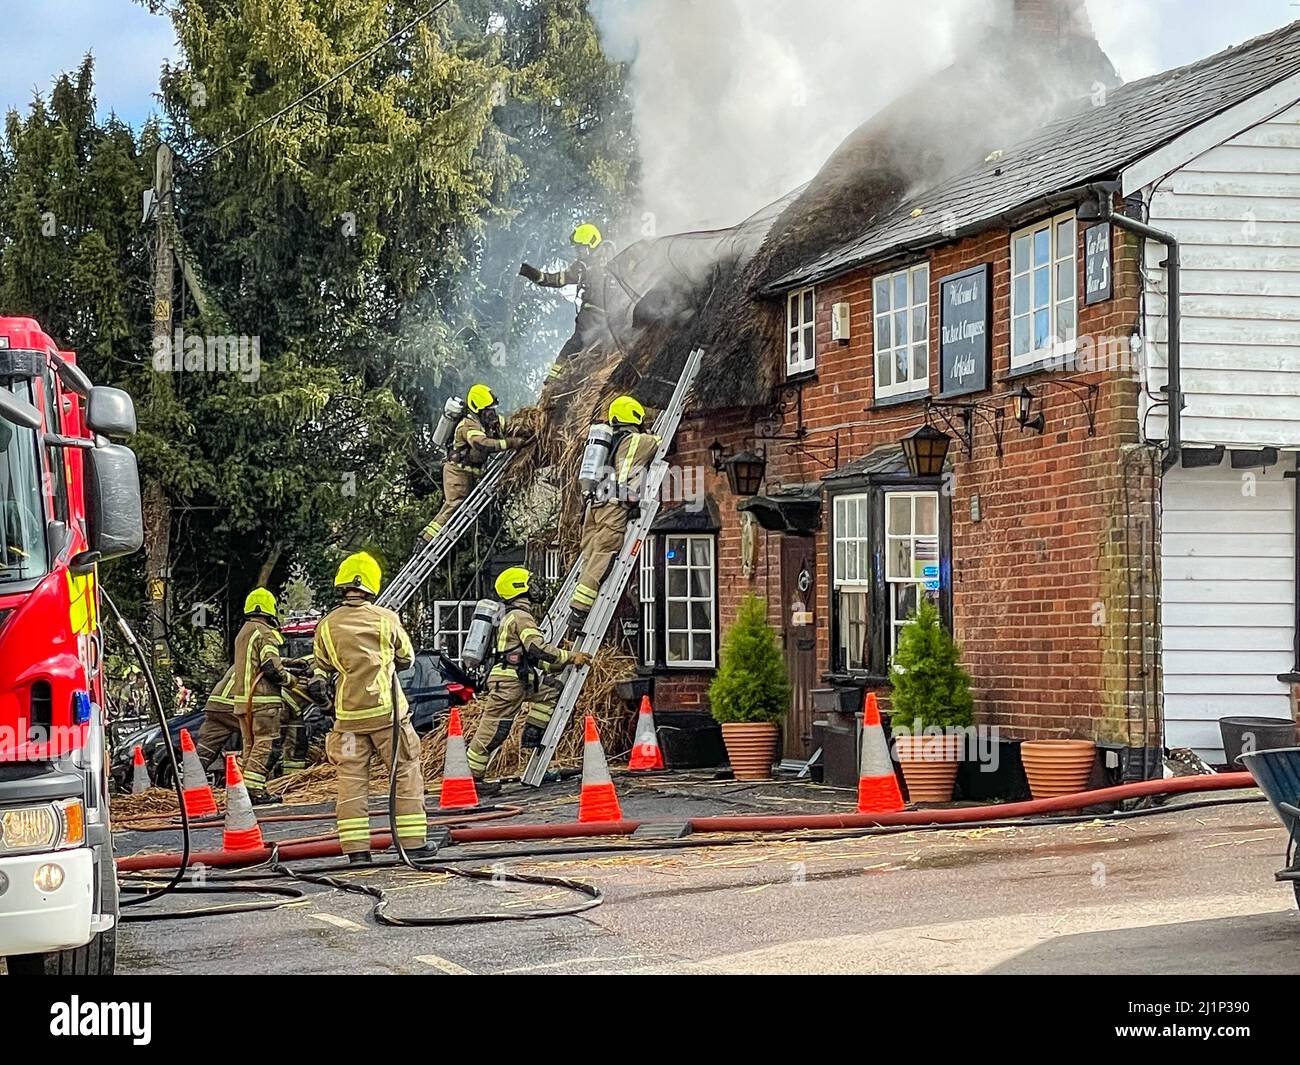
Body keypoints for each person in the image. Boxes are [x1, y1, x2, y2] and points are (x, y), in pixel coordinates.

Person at [309, 552, 440, 865]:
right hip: (387, 716)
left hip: (349, 720)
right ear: (371, 585)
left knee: (351, 780)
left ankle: (356, 851)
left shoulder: (326, 626)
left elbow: (323, 665)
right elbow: (406, 658)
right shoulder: (385, 619)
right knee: (405, 771)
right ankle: (412, 843)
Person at [466, 567, 591, 796]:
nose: (535, 587)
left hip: (518, 680)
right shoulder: (521, 617)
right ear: (519, 588)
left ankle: (533, 732)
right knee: (493, 731)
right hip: (509, 683)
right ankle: (470, 779)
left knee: (552, 690)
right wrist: (572, 656)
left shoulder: (511, 615)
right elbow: (537, 648)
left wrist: (561, 662)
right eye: (529, 583)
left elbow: (531, 656)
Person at [569, 395, 660, 633]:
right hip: (613, 506)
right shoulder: (635, 441)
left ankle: (576, 607)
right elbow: (656, 442)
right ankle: (580, 611)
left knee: (590, 556)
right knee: (604, 554)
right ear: (635, 416)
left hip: (593, 506)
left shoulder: (606, 444)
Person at [195, 588, 290, 804]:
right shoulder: (265, 632)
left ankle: (198, 787)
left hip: (238, 702)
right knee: (265, 744)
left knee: (246, 746)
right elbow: (271, 668)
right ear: (271, 610)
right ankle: (254, 791)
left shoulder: (243, 633)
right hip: (261, 701)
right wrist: (291, 679)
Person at [420, 384, 528, 544]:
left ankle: (427, 537)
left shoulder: (489, 422)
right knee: (455, 505)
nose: (493, 414)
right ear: (478, 410)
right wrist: (512, 443)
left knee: (458, 508)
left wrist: (528, 429)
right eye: (488, 410)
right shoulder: (468, 425)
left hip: (472, 473)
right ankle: (425, 540)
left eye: (493, 409)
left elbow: (511, 425)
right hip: (457, 473)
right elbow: (482, 444)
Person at [520, 223, 614, 378]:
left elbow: (554, 280)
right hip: (612, 320)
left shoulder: (582, 267)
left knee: (570, 349)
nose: (578, 253)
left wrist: (529, 272)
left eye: (580, 248)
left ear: (590, 245)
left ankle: (552, 381)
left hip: (591, 318)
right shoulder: (612, 261)